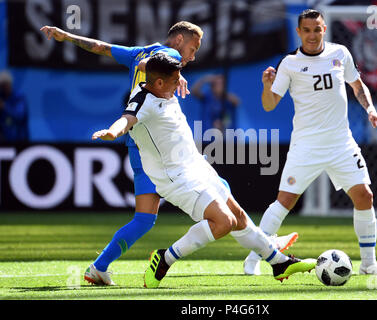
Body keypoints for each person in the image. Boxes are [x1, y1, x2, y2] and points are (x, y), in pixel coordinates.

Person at [40, 22, 297, 285]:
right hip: (158, 152)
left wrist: (66, 36)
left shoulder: (137, 53)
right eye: (192, 48)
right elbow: (143, 87)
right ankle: (262, 244)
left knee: (148, 218)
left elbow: (101, 47)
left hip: (140, 145)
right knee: (220, 202)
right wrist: (170, 73)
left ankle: (99, 267)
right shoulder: (170, 57)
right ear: (178, 40)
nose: (191, 56)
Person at [92, 53, 317, 288]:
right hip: (176, 179)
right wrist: (112, 132)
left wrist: (165, 70)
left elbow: (144, 64)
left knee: (238, 217)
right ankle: (164, 259)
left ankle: (279, 263)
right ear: (158, 83)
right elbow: (126, 119)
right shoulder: (143, 103)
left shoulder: (156, 80)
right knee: (224, 222)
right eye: (175, 79)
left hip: (196, 166)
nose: (179, 81)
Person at [243, 9, 377, 276]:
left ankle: (369, 264)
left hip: (341, 142)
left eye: (317, 29)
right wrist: (266, 86)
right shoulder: (290, 63)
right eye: (307, 30)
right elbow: (269, 105)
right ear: (299, 32)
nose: (312, 35)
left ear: (324, 29)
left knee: (364, 196)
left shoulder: (340, 53)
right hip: (306, 145)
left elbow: (357, 84)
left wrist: (372, 110)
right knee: (284, 201)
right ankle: (253, 259)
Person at [0, 70, 28, 142]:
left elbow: (19, 116)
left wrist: (4, 107)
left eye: (6, 85)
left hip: (18, 138)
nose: (5, 87)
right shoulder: (1, 97)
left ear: (10, 84)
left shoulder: (19, 98)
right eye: (2, 85)